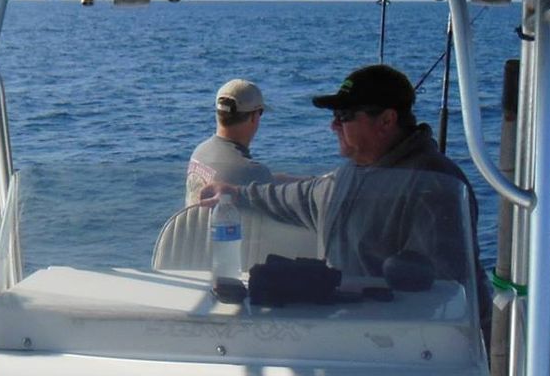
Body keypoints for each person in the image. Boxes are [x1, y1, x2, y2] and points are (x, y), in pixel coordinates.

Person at [202, 63, 479, 283]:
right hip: (345, 330)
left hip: (400, 343)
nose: (333, 126)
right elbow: (300, 197)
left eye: (344, 116)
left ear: (386, 121)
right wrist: (236, 193)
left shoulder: (435, 186)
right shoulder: (349, 175)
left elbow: (443, 290)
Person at [184, 78, 273, 205]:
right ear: (254, 117)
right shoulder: (252, 171)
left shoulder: (200, 152)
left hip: (196, 224)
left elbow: (231, 174)